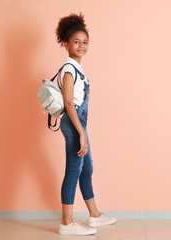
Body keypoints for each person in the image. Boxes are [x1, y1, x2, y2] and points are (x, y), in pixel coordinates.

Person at [55, 12, 117, 235]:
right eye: (76, 42)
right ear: (66, 44)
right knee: (73, 170)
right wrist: (81, 133)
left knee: (86, 168)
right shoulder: (70, 68)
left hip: (77, 124)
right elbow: (69, 103)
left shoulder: (77, 67)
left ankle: (95, 216)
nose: (81, 45)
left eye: (85, 42)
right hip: (74, 124)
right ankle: (66, 222)